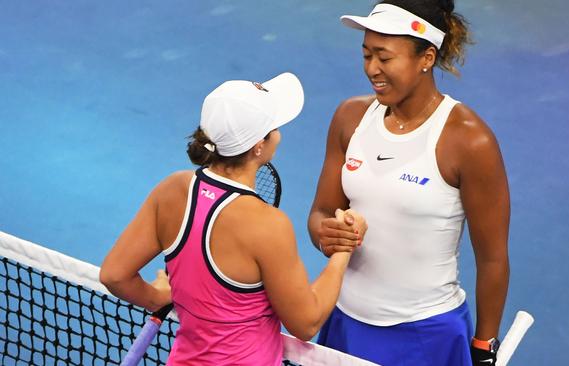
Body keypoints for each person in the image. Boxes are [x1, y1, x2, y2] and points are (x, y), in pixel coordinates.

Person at [100, 72, 361, 365]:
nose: (279, 133)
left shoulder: (171, 190)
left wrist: (155, 297)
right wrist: (343, 250)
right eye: (274, 127)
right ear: (259, 145)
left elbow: (114, 275)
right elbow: (307, 322)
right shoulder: (267, 225)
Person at [308, 1, 510, 365]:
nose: (372, 69)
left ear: (426, 58)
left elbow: (493, 259)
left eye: (384, 58)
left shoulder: (469, 141)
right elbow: (321, 212)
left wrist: (483, 347)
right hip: (344, 323)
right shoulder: (349, 117)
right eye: (367, 54)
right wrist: (328, 234)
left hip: (427, 335)